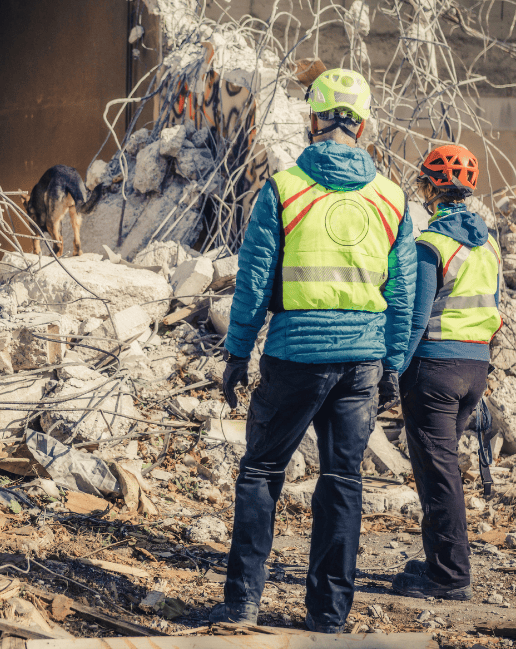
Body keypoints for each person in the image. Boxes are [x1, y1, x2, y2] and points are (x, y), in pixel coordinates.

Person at [209, 68, 417, 633]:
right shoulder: (392, 198)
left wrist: (236, 353)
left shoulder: (284, 189)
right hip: (361, 363)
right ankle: (328, 618)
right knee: (343, 482)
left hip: (296, 355)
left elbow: (253, 281)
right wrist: (393, 364)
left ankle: (242, 605)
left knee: (260, 473)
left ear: (314, 120)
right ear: (364, 125)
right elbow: (402, 293)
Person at [392, 145, 502, 601]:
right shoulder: (489, 243)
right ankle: (440, 561)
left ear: (428, 188)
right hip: (474, 368)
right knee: (440, 468)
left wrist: (391, 371)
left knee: (438, 473)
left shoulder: (431, 245)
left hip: (434, 369)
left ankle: (449, 576)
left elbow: (415, 320)